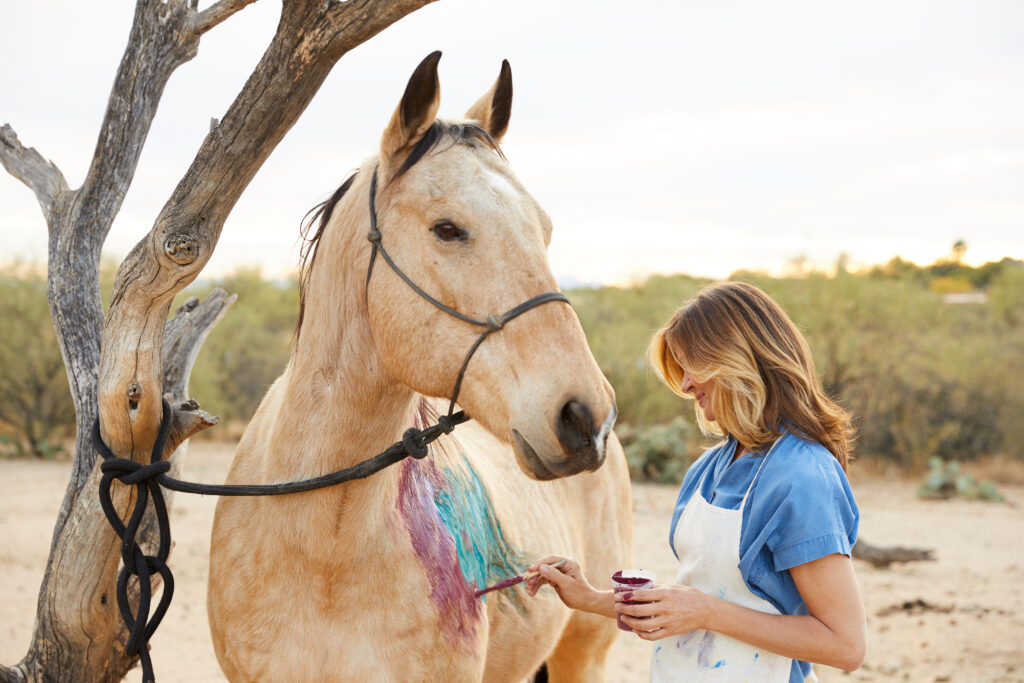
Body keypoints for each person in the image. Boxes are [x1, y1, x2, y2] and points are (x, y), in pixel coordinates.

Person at [525, 281, 866, 682]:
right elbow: (697, 598)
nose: (685, 385)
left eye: (693, 366)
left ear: (737, 360)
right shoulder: (710, 467)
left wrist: (705, 612)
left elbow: (845, 645)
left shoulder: (802, 475)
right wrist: (589, 597)